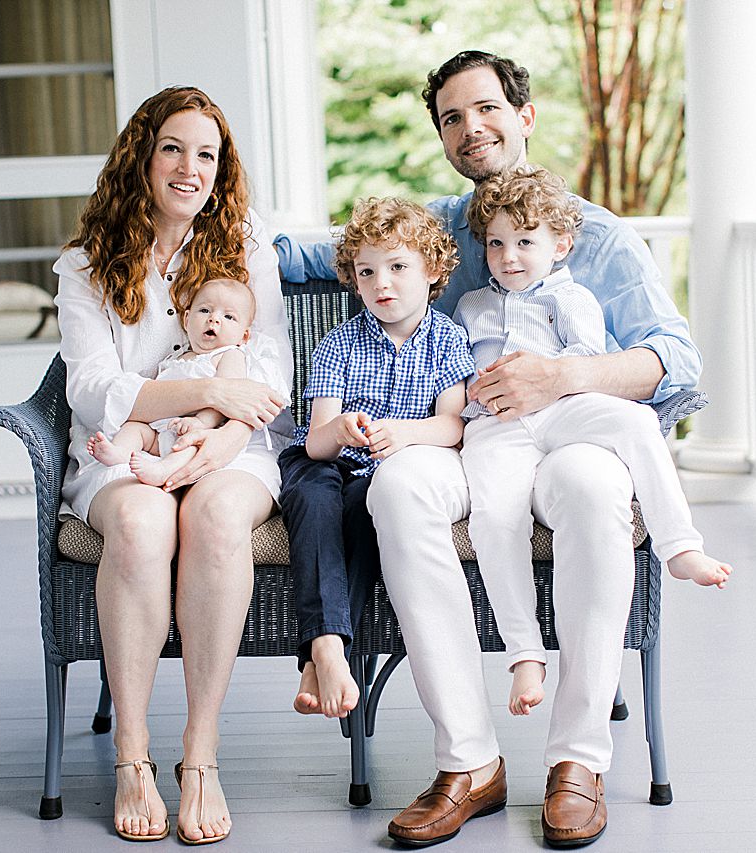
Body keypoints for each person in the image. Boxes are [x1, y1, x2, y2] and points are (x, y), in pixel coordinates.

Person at [277, 51, 704, 848]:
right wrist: (209, 242)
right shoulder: (440, 227)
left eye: (485, 109)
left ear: (524, 115)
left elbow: (675, 360)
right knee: (397, 487)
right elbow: (313, 253)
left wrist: (565, 374)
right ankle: (469, 760)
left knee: (593, 488)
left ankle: (578, 760)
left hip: (572, 432)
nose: (470, 128)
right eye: (451, 117)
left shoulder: (596, 235)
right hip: (474, 438)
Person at [55, 86, 291, 845]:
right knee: (140, 515)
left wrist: (220, 433)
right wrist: (204, 387)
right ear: (142, 156)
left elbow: (274, 367)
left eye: (208, 155)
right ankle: (132, 752)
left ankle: (200, 752)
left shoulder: (248, 244)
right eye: (174, 148)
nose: (190, 168)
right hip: (121, 450)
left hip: (233, 441)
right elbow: (92, 391)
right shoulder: (87, 262)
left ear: (221, 171)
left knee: (217, 513)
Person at [457, 166, 732, 719]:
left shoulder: (573, 297)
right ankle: (524, 652)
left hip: (563, 409)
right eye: (496, 244)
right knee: (494, 516)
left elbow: (583, 361)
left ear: (560, 245)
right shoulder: (471, 307)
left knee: (634, 425)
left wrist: (550, 378)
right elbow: (458, 365)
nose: (510, 256)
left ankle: (679, 545)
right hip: (496, 424)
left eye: (525, 242)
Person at [278, 197, 475, 719]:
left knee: (369, 509)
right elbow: (315, 441)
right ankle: (327, 650)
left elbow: (452, 426)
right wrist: (342, 430)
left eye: (397, 266)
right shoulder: (339, 343)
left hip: (386, 470)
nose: (381, 283)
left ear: (432, 270)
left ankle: (322, 654)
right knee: (314, 496)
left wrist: (405, 435)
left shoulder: (448, 341)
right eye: (367, 271)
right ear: (353, 280)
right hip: (326, 461)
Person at [86, 277, 288, 489]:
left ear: (244, 336)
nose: (214, 319)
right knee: (133, 427)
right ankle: (120, 452)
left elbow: (228, 399)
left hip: (200, 433)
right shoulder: (178, 358)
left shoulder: (229, 355)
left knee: (193, 443)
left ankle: (163, 470)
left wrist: (201, 422)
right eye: (204, 311)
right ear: (186, 320)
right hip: (162, 432)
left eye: (228, 316)